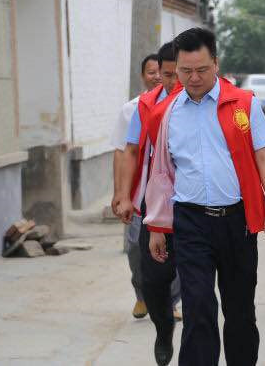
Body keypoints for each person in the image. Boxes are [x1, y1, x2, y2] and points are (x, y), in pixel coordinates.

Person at [143, 27, 265, 366]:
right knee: (198, 307)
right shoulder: (165, 113)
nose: (194, 78)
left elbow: (264, 157)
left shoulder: (243, 103)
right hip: (190, 221)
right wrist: (157, 227)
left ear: (216, 64)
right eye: (185, 71)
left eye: (202, 70)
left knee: (240, 310)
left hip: (237, 221)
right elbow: (161, 175)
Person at [114, 42, 183, 365]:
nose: (173, 81)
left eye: (178, 74)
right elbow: (129, 151)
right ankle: (163, 328)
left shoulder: (206, 102)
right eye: (167, 75)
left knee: (196, 277)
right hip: (155, 204)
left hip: (197, 204)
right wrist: (125, 194)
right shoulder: (144, 107)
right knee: (153, 277)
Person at [111, 52, 160, 320]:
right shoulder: (131, 109)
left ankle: (170, 301)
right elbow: (121, 152)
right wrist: (120, 193)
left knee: (172, 250)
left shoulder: (179, 106)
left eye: (162, 72)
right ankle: (142, 296)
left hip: (168, 196)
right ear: (143, 76)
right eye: (151, 72)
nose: (157, 77)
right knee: (135, 248)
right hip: (138, 193)